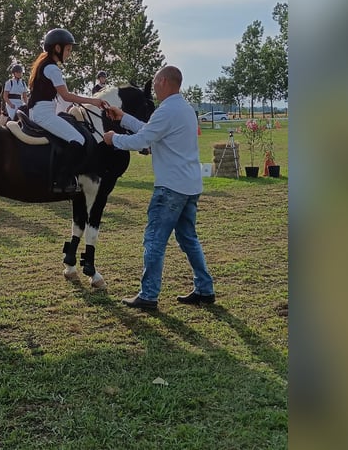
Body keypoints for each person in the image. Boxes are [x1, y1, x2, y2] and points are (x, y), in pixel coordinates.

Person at [103, 65, 215, 310]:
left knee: (154, 240)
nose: (153, 87)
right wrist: (123, 117)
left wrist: (114, 139)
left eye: (155, 82)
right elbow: (149, 129)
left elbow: (142, 139)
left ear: (164, 81)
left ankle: (149, 295)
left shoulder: (166, 111)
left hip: (170, 188)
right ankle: (205, 289)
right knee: (188, 238)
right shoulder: (183, 109)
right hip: (189, 185)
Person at [28, 28, 107, 193]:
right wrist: (93, 101)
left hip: (41, 111)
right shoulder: (52, 68)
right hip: (44, 114)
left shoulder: (45, 65)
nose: (69, 53)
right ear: (57, 48)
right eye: (68, 49)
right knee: (77, 139)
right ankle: (61, 180)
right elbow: (66, 96)